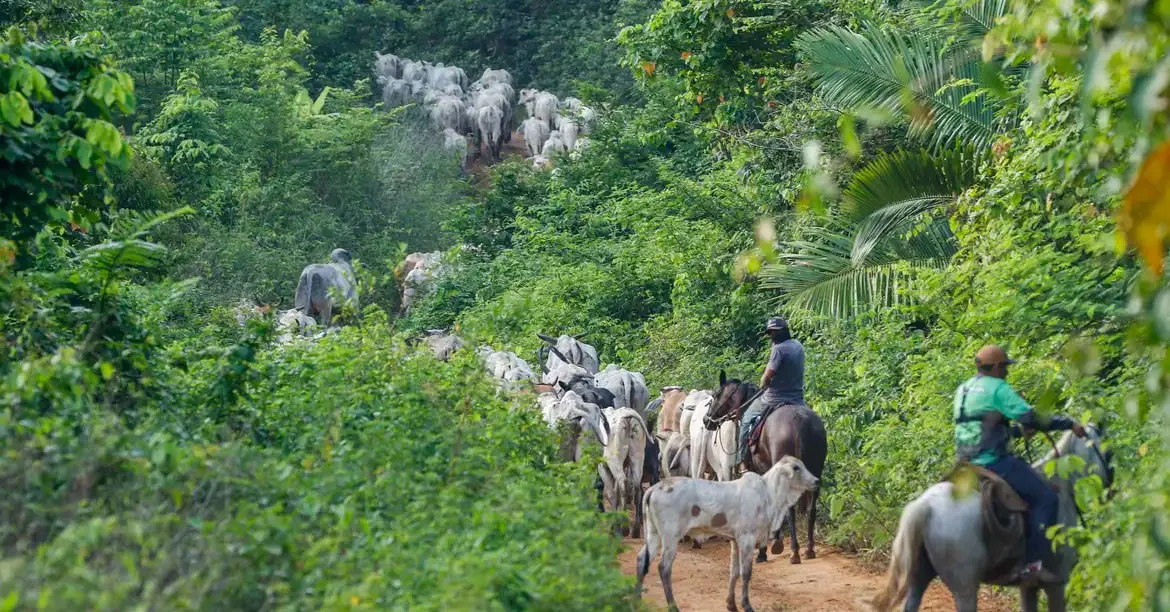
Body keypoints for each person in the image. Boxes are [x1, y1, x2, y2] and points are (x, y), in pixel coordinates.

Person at [954, 344, 1086, 584]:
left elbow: (978, 426)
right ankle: (1033, 566)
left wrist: (1014, 432)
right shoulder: (997, 387)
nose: (1006, 371)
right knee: (1046, 497)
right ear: (995, 367)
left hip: (964, 464)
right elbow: (1031, 417)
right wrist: (1068, 423)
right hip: (992, 461)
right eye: (1004, 366)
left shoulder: (963, 389)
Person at [738, 316, 805, 467]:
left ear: (781, 332)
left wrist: (763, 383)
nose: (771, 336)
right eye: (769, 333)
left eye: (773, 333)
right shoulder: (798, 345)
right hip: (797, 399)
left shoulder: (778, 349)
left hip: (774, 398)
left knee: (747, 419)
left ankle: (740, 461)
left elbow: (767, 377)